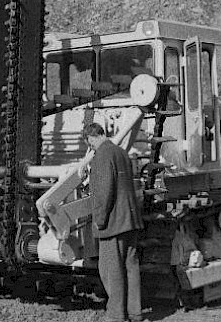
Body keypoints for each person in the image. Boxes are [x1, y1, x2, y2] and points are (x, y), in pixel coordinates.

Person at [83, 123, 145, 322]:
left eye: (89, 144)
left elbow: (103, 192)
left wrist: (99, 220)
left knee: (111, 270)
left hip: (113, 222)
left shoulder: (102, 156)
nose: (91, 148)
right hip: (130, 219)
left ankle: (116, 314)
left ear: (92, 138)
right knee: (131, 267)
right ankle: (135, 312)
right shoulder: (121, 153)